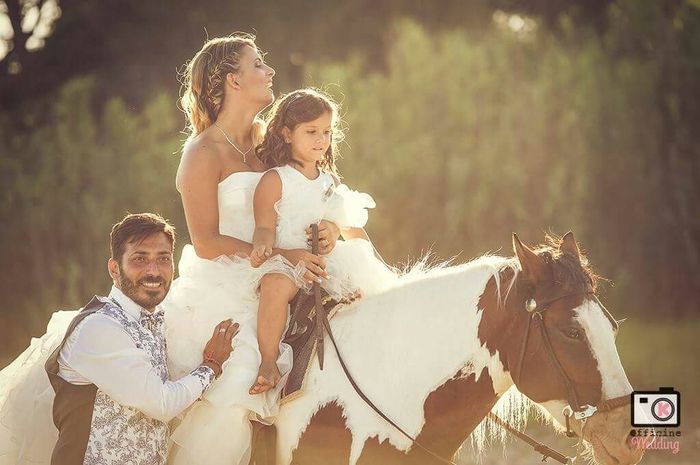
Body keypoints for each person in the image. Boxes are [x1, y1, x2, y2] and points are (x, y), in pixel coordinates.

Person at [163, 34, 342, 465]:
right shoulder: (202, 152)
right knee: (240, 378)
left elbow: (316, 190)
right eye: (258, 64)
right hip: (231, 279)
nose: (270, 71)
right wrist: (281, 256)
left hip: (297, 266)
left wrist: (329, 229)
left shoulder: (273, 140)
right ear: (233, 80)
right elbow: (205, 242)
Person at [0, 213, 238, 465]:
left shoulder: (155, 320)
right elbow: (162, 403)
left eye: (163, 259)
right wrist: (211, 365)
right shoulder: (100, 328)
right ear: (114, 269)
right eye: (140, 259)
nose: (154, 271)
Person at [248, 88, 398, 394]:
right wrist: (264, 245)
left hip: (328, 262)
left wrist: (368, 258)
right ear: (287, 134)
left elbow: (350, 227)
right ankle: (268, 360)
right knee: (274, 286)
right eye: (312, 132)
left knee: (361, 290)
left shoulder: (331, 180)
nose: (321, 140)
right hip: (289, 259)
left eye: (327, 132)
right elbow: (263, 226)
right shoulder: (276, 179)